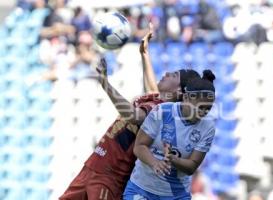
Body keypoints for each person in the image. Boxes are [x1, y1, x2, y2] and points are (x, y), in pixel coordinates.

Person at [59, 23, 201, 200]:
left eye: (173, 76)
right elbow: (152, 89)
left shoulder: (160, 113)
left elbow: (133, 116)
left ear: (178, 92)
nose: (166, 73)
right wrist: (144, 54)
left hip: (110, 177)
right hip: (92, 167)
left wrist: (106, 85)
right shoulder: (156, 100)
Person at [123, 71, 216, 200]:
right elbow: (139, 146)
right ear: (186, 97)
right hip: (141, 189)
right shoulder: (162, 111)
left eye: (207, 109)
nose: (203, 112)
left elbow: (192, 166)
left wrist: (173, 159)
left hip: (176, 195)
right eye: (200, 107)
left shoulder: (208, 127)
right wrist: (154, 163)